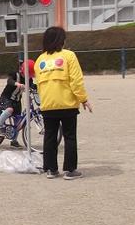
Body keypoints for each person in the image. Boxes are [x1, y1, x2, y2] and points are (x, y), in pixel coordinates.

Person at [34, 26, 93, 180]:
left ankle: (51, 169)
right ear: (62, 40)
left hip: (48, 104)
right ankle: (70, 170)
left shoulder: (40, 60)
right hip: (67, 104)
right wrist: (83, 99)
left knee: (50, 137)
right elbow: (76, 81)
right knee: (69, 136)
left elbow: (39, 84)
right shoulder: (69, 56)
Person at [0, 59, 37, 148]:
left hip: (17, 101)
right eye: (29, 74)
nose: (29, 76)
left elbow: (32, 85)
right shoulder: (15, 74)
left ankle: (13, 140)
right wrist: (17, 84)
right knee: (9, 110)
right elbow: (9, 81)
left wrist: (37, 88)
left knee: (18, 121)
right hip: (6, 98)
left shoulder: (29, 79)